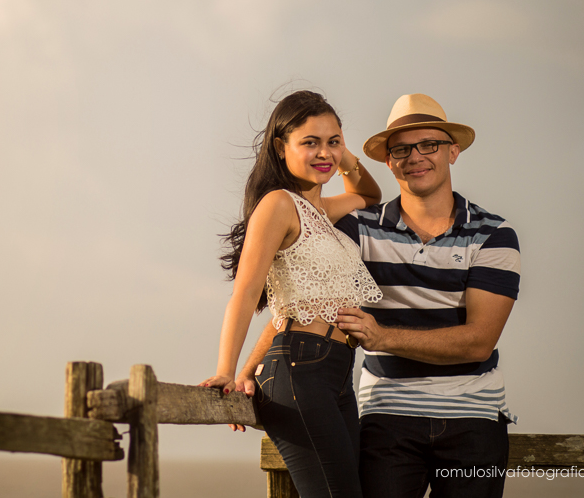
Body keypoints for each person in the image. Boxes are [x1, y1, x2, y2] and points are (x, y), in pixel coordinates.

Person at [237, 93, 520, 498]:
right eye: (401, 149)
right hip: (386, 417)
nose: (416, 157)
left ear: (453, 151)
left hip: (473, 417)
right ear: (389, 162)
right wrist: (249, 370)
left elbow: (479, 341)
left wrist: (382, 336)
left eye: (430, 145)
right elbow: (302, 300)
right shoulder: (358, 229)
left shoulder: (494, 235)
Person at [200, 89, 383, 498]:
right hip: (301, 367)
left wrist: (343, 155)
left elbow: (372, 194)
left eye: (333, 141)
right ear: (281, 147)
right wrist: (228, 370)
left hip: (337, 374)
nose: (325, 153)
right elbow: (246, 293)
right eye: (310, 142)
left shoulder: (320, 210)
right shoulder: (278, 205)